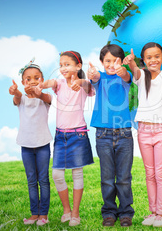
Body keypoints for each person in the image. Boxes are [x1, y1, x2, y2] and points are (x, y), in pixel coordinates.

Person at [123, 42, 162, 227]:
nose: (153, 60)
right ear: (143, 60)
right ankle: (153, 211)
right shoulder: (141, 76)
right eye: (149, 57)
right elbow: (134, 71)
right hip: (144, 131)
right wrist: (130, 62)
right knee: (150, 173)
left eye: (157, 56)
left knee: (160, 173)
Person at [43, 51, 95, 226]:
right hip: (60, 135)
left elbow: (88, 86)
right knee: (57, 174)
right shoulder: (58, 84)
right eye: (61, 65)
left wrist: (79, 82)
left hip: (78, 134)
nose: (63, 68)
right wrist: (38, 85)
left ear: (78, 66)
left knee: (76, 173)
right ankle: (66, 210)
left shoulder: (83, 84)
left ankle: (75, 213)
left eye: (67, 64)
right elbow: (49, 82)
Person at [87, 44, 134, 227]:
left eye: (116, 61)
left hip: (124, 134)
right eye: (107, 61)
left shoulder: (125, 77)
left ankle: (125, 213)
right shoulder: (100, 78)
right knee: (107, 177)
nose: (111, 64)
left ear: (121, 61)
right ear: (101, 62)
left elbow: (125, 75)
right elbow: (96, 76)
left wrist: (123, 69)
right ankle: (108, 212)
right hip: (103, 134)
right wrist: (93, 73)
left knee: (123, 177)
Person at [9, 59, 52, 226]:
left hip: (43, 145)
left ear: (42, 80)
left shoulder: (45, 98)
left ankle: (44, 215)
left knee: (43, 179)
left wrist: (38, 92)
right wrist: (16, 91)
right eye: (28, 79)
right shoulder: (21, 99)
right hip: (26, 146)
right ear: (22, 82)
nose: (32, 81)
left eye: (36, 78)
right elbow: (17, 97)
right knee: (31, 180)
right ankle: (34, 213)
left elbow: (46, 97)